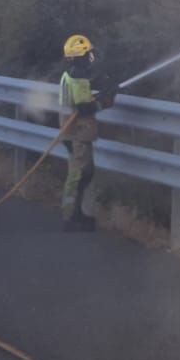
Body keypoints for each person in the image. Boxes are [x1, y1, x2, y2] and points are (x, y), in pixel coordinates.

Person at [59, 33, 114, 232]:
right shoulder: (78, 78)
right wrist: (105, 100)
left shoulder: (70, 75)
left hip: (70, 132)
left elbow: (81, 101)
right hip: (77, 134)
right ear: (81, 56)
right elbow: (84, 108)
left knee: (85, 172)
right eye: (88, 53)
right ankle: (71, 217)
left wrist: (100, 95)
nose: (91, 57)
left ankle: (77, 213)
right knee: (79, 174)